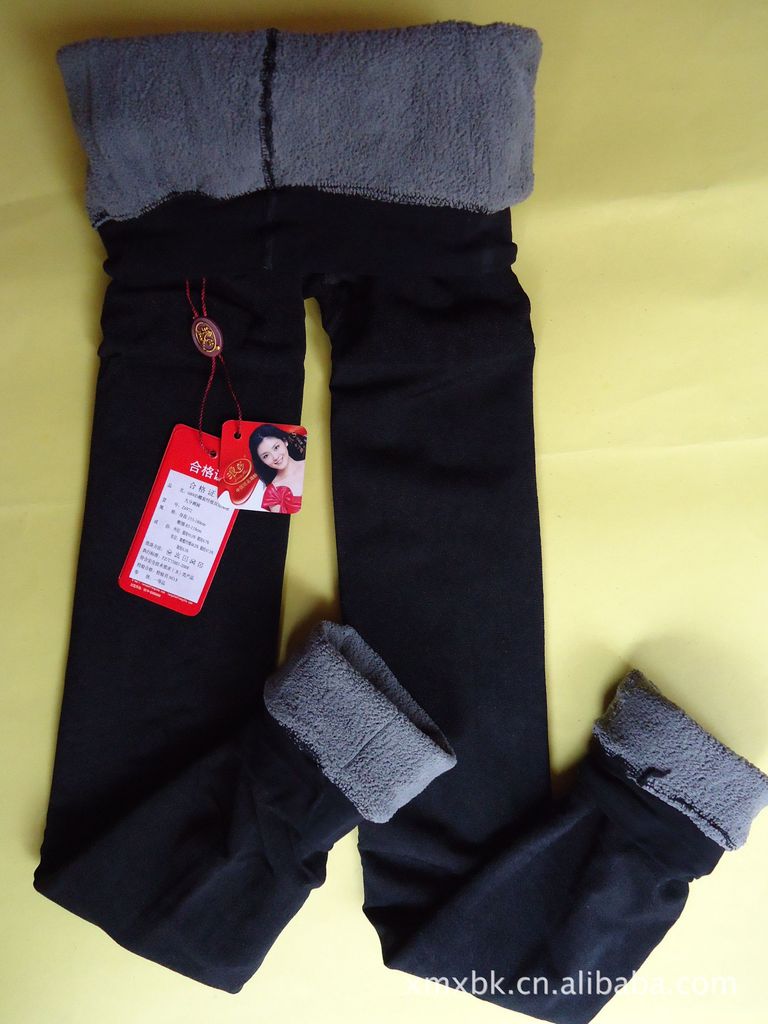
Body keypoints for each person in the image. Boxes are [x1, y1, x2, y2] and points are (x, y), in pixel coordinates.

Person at [249, 423, 306, 514]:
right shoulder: (273, 493)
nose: (275, 457)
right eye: (266, 456)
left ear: (285, 441)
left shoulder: (309, 463)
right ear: (262, 461)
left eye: (276, 447)